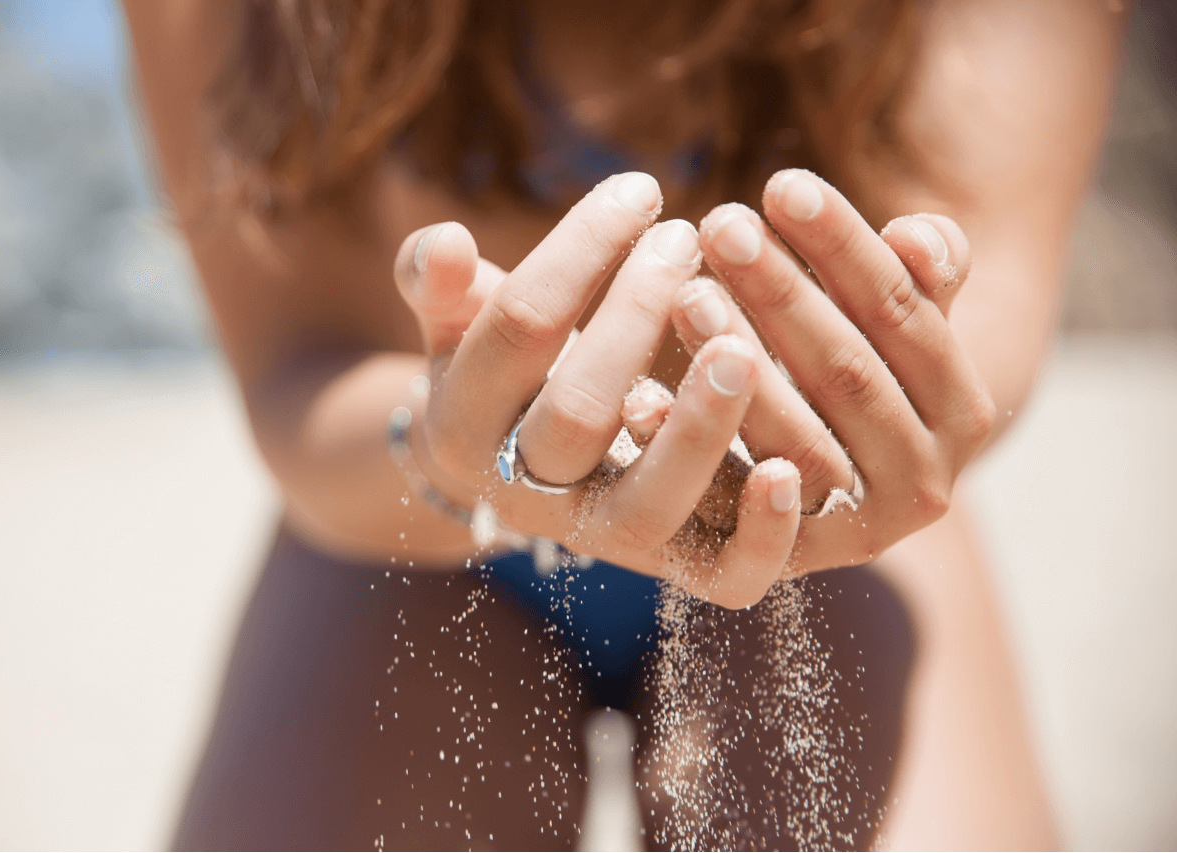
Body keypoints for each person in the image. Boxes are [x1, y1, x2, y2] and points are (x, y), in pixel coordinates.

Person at [124, 0, 1123, 848]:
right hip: (415, 531)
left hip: (823, 532)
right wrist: (440, 448)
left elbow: (982, 326)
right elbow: (297, 371)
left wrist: (882, 415)